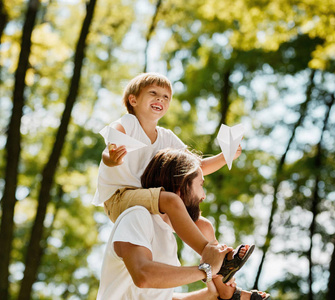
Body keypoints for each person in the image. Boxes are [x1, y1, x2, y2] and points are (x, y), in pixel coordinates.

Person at [93, 72, 250, 281]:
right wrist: (111, 158)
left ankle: (223, 274)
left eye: (166, 97)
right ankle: (212, 257)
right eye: (153, 93)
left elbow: (196, 167)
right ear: (133, 100)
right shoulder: (128, 123)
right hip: (120, 198)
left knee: (203, 225)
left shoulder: (166, 136)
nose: (160, 99)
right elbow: (110, 146)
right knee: (171, 199)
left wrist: (224, 156)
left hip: (148, 198)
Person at [96, 148, 270, 300]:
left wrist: (209, 295)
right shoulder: (137, 216)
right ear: (181, 187)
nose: (204, 196)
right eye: (201, 184)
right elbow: (143, 275)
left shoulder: (166, 237)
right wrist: (206, 270)